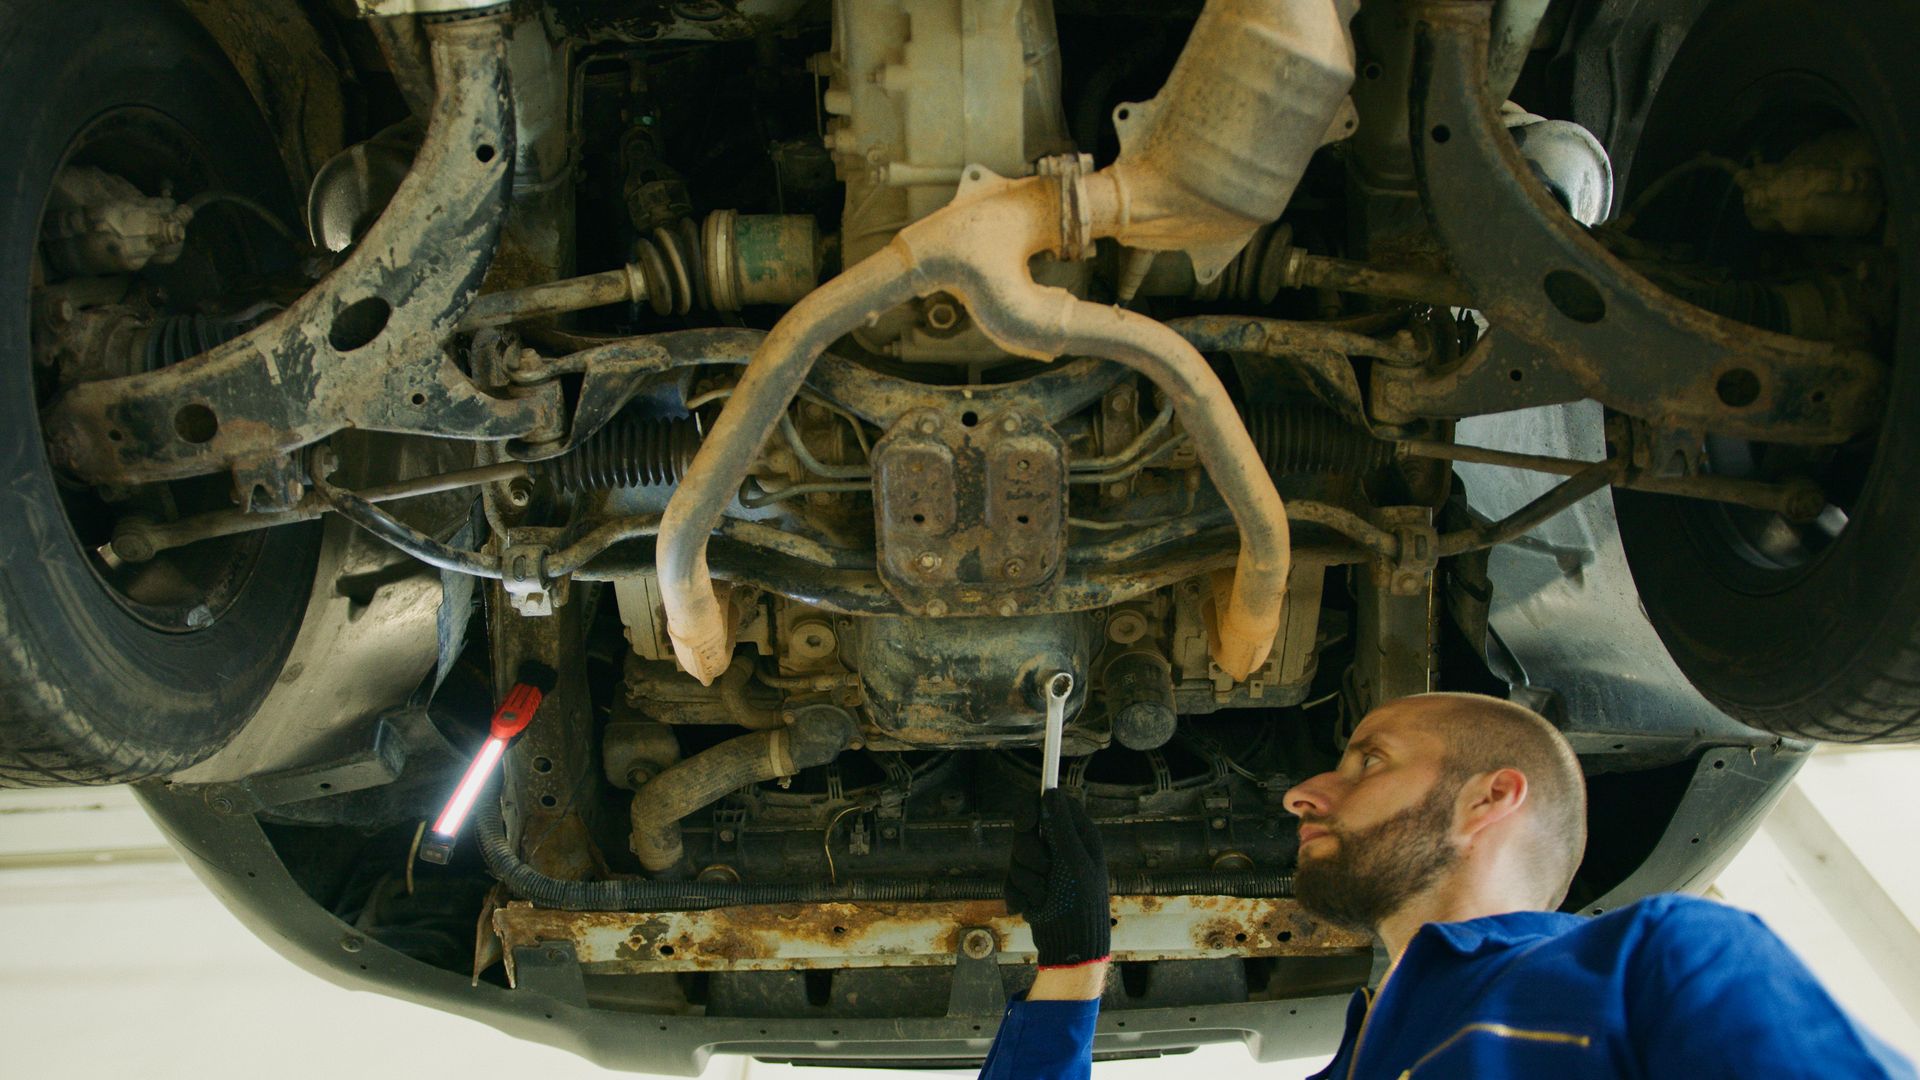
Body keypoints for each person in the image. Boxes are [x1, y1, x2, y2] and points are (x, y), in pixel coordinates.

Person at [978, 691, 1916, 1079]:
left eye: (1367, 759)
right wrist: (1073, 959)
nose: (1305, 793)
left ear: (1487, 800)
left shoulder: (1661, 963)